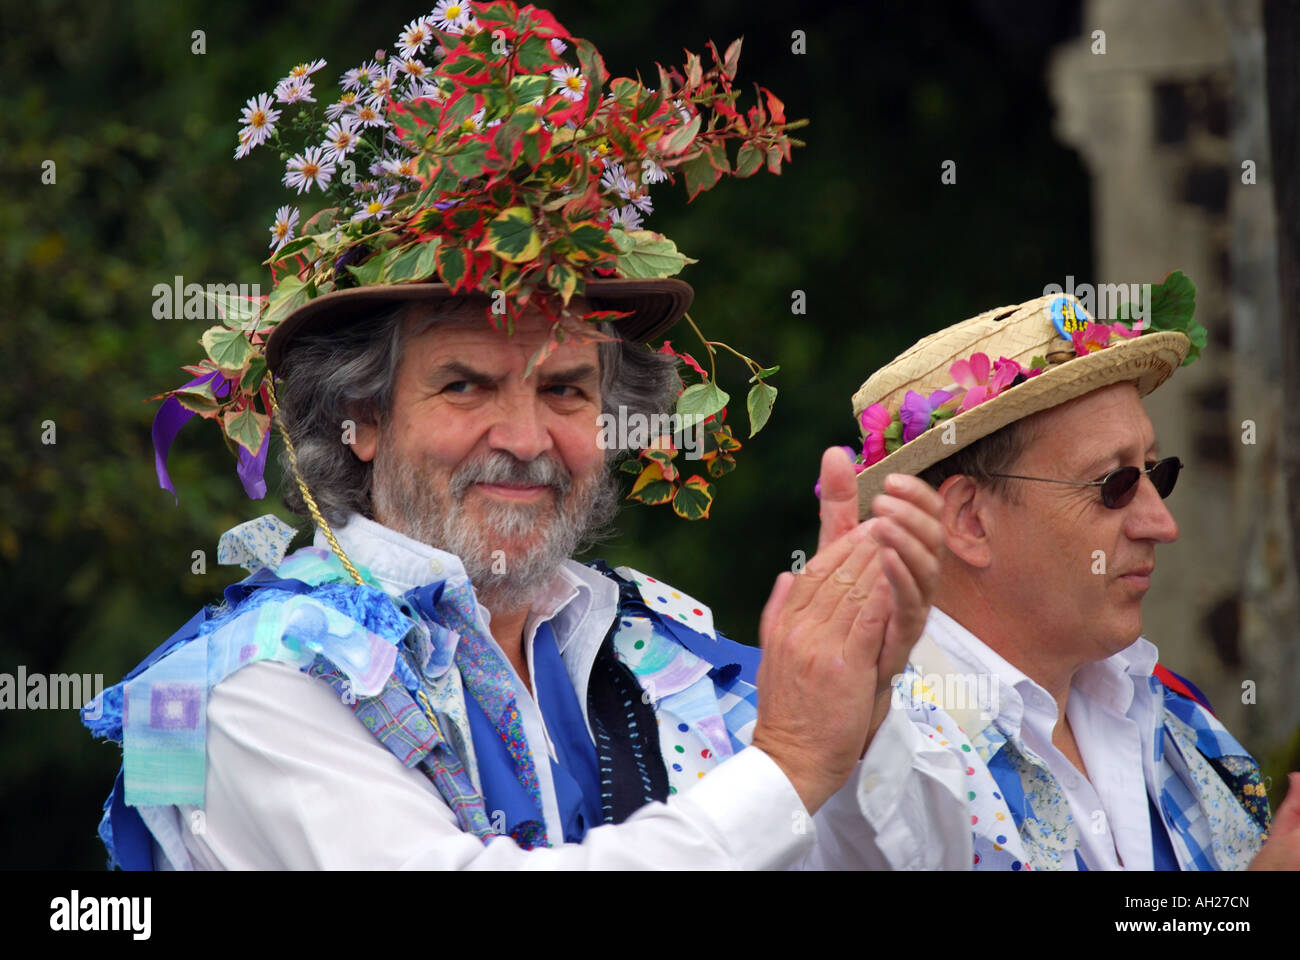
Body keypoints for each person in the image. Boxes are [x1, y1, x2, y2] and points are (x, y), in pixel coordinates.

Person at [82, 2, 973, 869]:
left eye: (565, 389)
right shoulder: (249, 684)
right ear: (359, 420)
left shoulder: (644, 643)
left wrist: (861, 707)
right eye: (465, 385)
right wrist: (788, 760)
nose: (526, 435)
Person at [841, 284, 1300, 870]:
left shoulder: (1172, 713)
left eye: (1156, 474)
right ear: (969, 521)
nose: (1162, 524)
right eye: (1114, 484)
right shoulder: (884, 768)